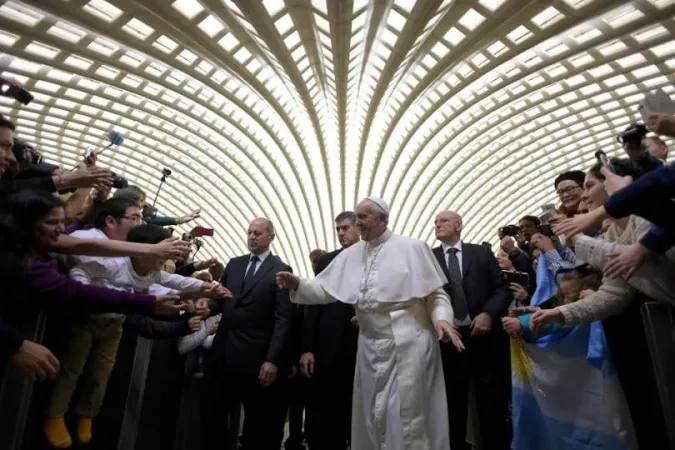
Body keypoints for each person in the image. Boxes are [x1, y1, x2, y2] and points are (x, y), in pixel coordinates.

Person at [276, 197, 464, 450]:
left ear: (382, 220)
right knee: (372, 416)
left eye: (363, 217)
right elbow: (325, 288)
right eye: (357, 217)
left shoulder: (413, 248)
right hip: (369, 346)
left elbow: (436, 294)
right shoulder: (352, 254)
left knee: (404, 416)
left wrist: (442, 319)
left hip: (408, 342)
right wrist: (298, 283)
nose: (357, 223)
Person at [202, 218, 293, 450]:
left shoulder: (280, 270)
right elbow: (221, 302)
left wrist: (272, 359)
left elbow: (283, 319)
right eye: (250, 232)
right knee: (214, 420)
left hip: (255, 360)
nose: (252, 236)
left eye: (259, 233)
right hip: (223, 356)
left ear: (271, 237)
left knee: (256, 424)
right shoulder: (234, 264)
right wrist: (202, 307)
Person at [433, 210, 511, 450]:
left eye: (443, 221)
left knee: (490, 400)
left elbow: (501, 289)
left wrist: (488, 314)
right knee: (452, 401)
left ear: (459, 225)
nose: (437, 225)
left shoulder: (481, 253)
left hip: (484, 337)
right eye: (435, 222)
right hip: (448, 340)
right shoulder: (428, 258)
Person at [301, 211, 360, 450]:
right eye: (338, 229)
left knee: (358, 415)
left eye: (345, 228)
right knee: (324, 418)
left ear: (359, 227)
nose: (340, 233)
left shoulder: (375, 259)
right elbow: (312, 308)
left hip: (362, 349)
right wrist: (307, 348)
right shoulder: (327, 262)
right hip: (327, 352)